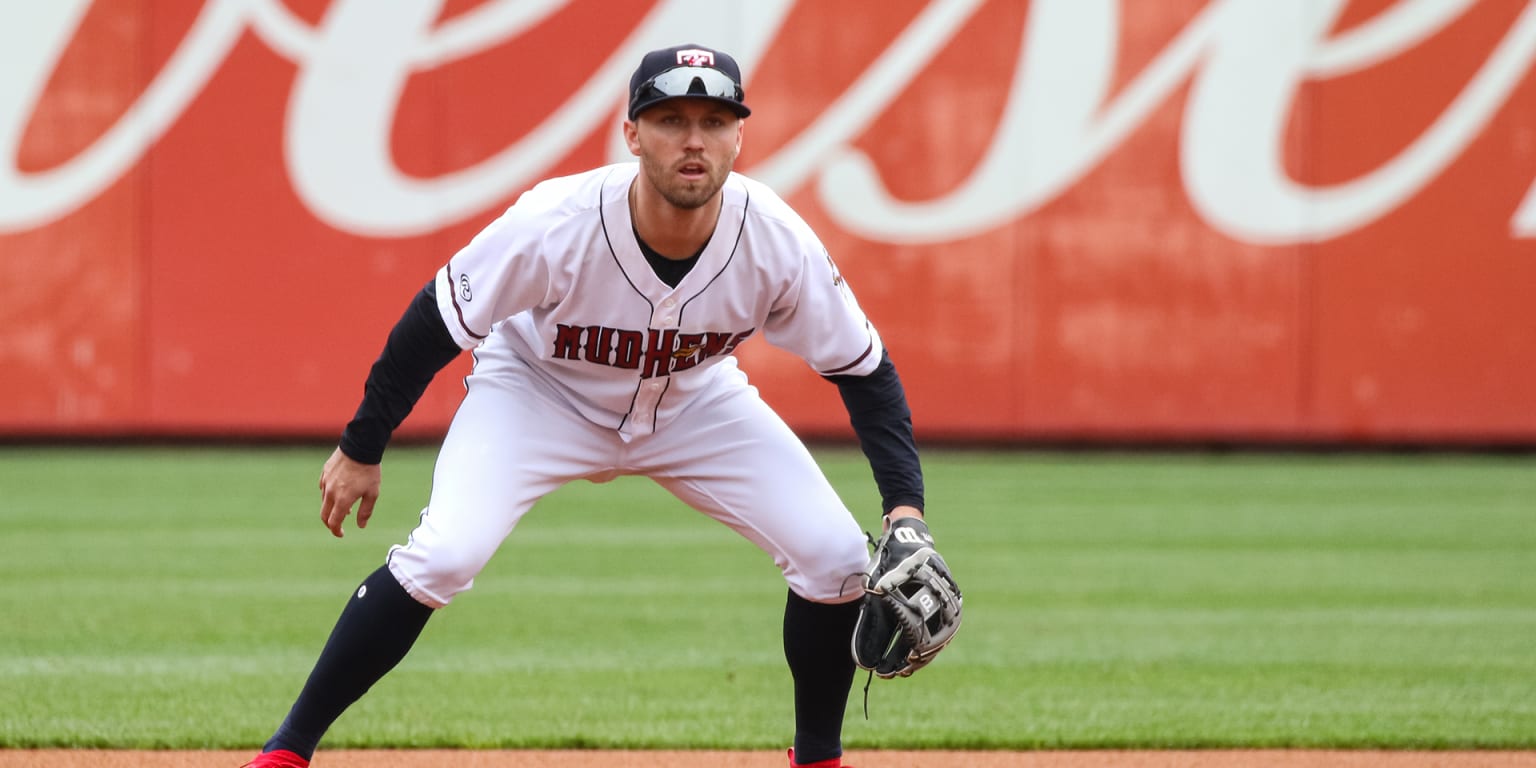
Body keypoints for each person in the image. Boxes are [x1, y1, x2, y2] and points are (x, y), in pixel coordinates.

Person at [242, 43, 931, 768]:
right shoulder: (556, 221)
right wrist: (362, 447)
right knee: (443, 556)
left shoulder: (775, 240)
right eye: (669, 119)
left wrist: (905, 511)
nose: (693, 140)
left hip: (693, 402)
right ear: (632, 134)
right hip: (538, 392)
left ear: (739, 136)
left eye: (713, 119)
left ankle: (818, 757)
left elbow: (865, 369)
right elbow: (434, 322)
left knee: (837, 561)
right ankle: (288, 750)